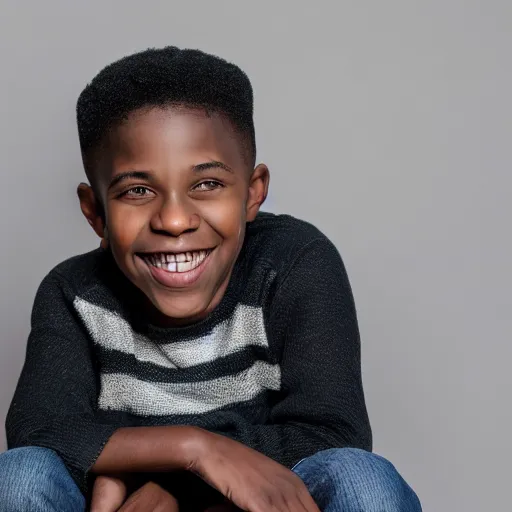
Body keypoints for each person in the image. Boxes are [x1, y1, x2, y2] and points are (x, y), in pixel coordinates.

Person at [0, 46, 422, 512]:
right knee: (19, 474)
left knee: (362, 478)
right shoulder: (74, 294)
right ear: (95, 212)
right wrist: (193, 450)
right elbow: (37, 429)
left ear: (252, 193)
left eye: (207, 184)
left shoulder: (294, 263)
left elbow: (332, 431)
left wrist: (177, 484)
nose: (175, 220)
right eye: (137, 190)